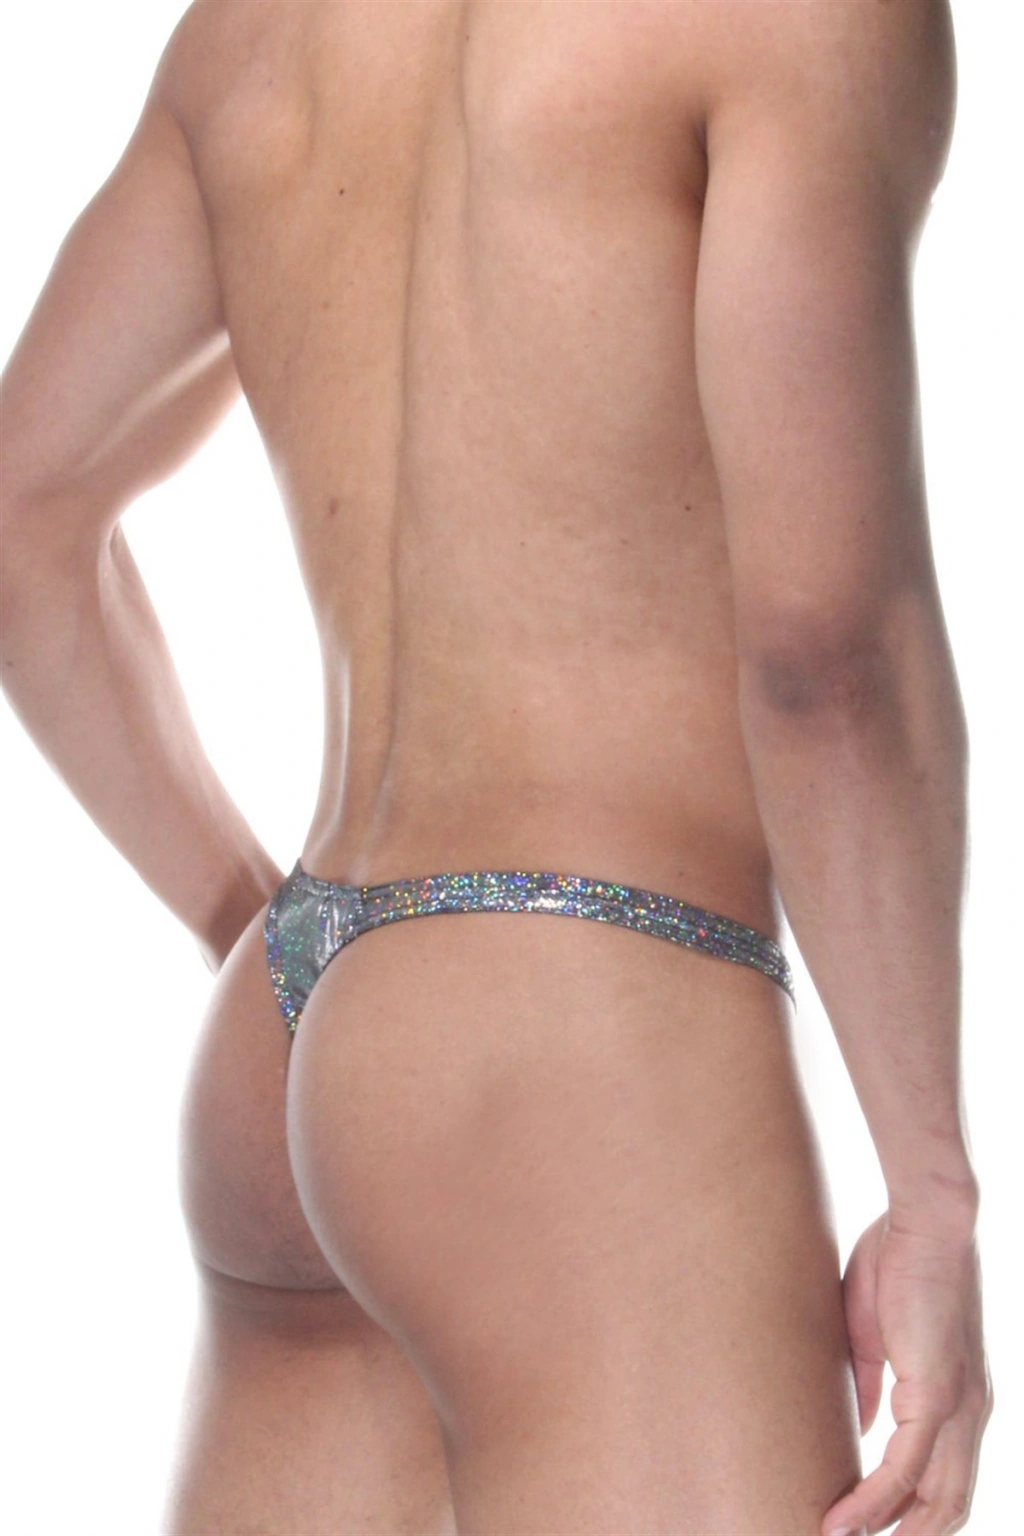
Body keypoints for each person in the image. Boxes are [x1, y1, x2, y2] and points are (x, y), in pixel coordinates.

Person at [0, 1, 993, 1532]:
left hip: (296, 1004)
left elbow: (24, 514)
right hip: (583, 1034)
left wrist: (271, 940)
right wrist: (931, 1191)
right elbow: (826, 653)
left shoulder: (252, 34)